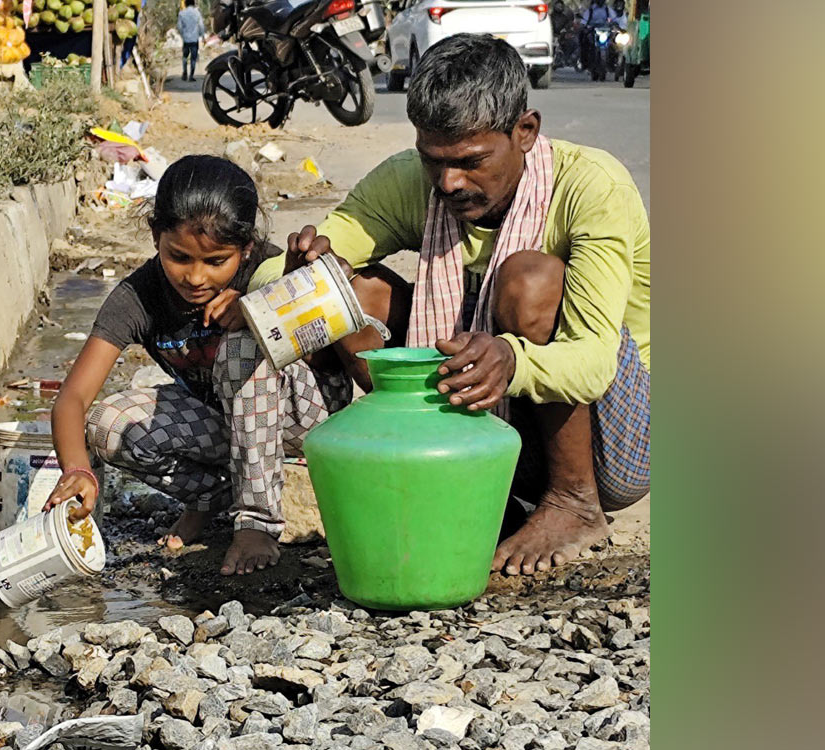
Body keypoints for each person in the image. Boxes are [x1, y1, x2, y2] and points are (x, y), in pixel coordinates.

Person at [251, 33, 650, 577]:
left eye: (470, 161)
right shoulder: (414, 181)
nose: (449, 183)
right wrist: (299, 272)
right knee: (349, 290)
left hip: (616, 443)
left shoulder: (591, 187)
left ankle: (572, 505)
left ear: (525, 132)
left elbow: (595, 363)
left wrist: (513, 359)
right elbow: (285, 269)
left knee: (529, 281)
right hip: (500, 424)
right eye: (433, 161)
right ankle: (480, 493)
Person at [42, 155, 353, 576]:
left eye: (215, 262)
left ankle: (258, 522)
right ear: (155, 236)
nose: (195, 278)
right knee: (106, 426)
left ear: (245, 250)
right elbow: (73, 399)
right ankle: (213, 498)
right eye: (179, 257)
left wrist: (262, 308)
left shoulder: (269, 270)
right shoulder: (140, 297)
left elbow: (329, 357)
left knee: (242, 347)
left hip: (305, 412)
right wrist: (78, 472)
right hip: (230, 426)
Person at [177, 0, 206, 82]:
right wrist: (202, 36)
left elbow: (179, 26)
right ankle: (191, 76)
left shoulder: (181, 13)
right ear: (193, 3)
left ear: (185, 4)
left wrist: (183, 34)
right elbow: (201, 26)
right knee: (193, 58)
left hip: (186, 39)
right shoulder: (197, 13)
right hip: (194, 39)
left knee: (185, 57)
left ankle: (184, 73)